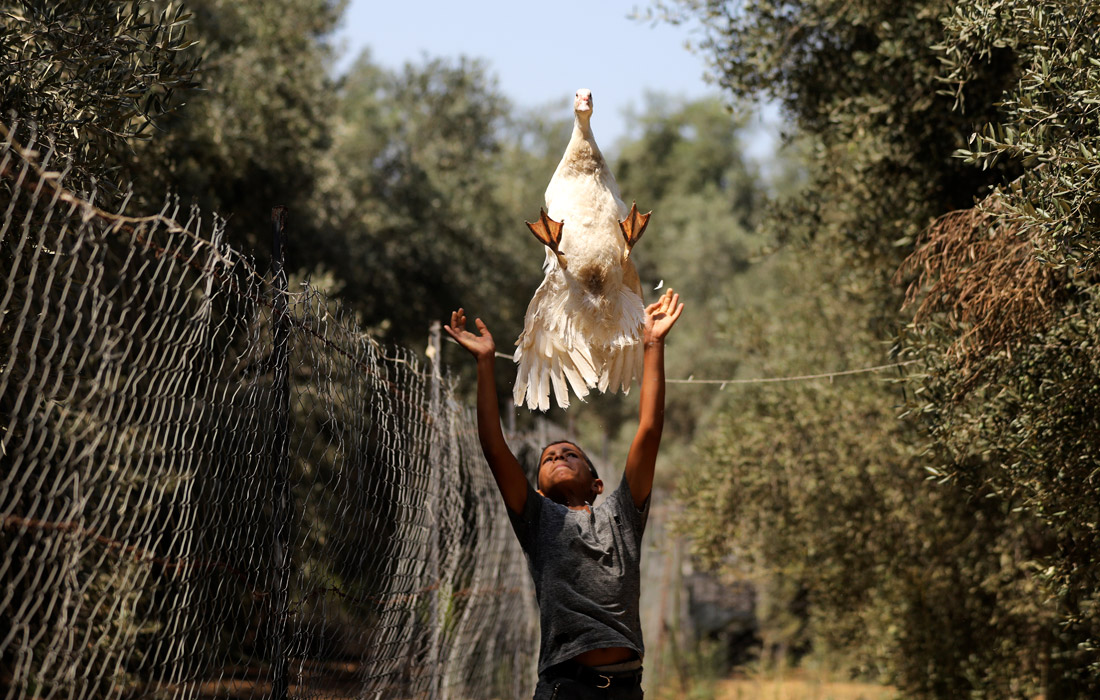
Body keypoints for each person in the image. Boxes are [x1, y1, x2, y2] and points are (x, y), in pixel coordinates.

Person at [444, 289, 684, 699]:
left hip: (627, 689)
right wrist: (486, 362)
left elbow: (648, 430)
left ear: (597, 484)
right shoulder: (538, 521)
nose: (556, 454)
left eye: (569, 453)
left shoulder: (622, 517)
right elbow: (494, 447)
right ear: (537, 488)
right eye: (548, 457)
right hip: (566, 688)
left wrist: (653, 344)